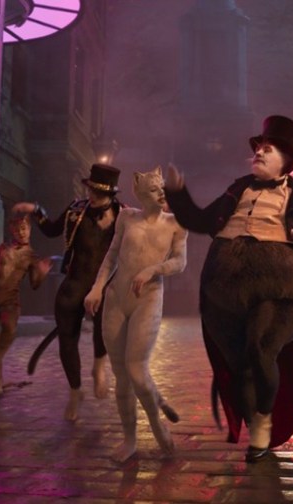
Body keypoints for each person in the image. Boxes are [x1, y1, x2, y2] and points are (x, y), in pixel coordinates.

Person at [164, 115, 293, 462]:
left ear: (287, 161)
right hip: (224, 293)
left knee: (260, 345)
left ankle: (264, 420)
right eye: (259, 147)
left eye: (268, 149)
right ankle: (254, 417)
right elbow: (199, 220)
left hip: (279, 290)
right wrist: (178, 193)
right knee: (239, 365)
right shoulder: (235, 191)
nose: (259, 152)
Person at [84, 166, 188, 462]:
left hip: (148, 298)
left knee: (137, 371)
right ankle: (129, 438)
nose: (161, 193)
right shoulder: (127, 218)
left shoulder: (175, 224)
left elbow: (180, 262)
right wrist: (97, 288)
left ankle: (156, 423)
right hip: (117, 298)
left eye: (162, 188)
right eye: (154, 190)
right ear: (140, 193)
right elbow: (112, 256)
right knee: (121, 375)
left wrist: (153, 269)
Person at [14, 164, 123, 421]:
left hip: (105, 285)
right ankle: (75, 391)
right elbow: (52, 229)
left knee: (104, 328)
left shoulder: (124, 215)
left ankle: (99, 366)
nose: (91, 195)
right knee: (67, 339)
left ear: (110, 194)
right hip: (75, 282)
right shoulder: (76, 210)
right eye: (90, 189)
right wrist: (36, 210)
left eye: (98, 192)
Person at [0, 216, 53, 399]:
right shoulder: (3, 248)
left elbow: (35, 284)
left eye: (24, 228)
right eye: (17, 229)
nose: (21, 232)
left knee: (9, 328)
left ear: (29, 229)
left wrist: (42, 273)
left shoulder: (31, 256)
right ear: (12, 230)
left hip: (10, 300)